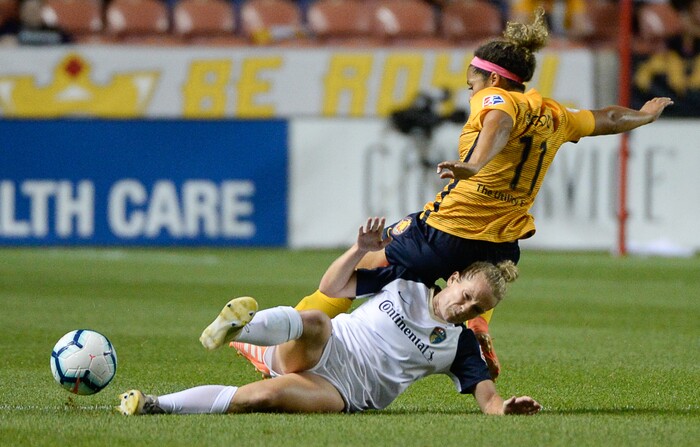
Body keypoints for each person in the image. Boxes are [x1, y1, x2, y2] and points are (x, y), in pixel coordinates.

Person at [236, 7, 674, 381]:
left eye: (472, 79)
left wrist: (475, 164)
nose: (470, 86)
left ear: (489, 76)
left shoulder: (496, 101)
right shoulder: (555, 113)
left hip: (447, 233)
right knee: (475, 293)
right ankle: (479, 326)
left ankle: (280, 351)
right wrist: (641, 116)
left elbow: (497, 124)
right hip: (502, 246)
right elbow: (604, 117)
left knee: (347, 275)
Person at [118, 217, 541, 416]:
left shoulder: (461, 344)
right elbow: (334, 288)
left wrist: (504, 408)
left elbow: (487, 397)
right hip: (326, 345)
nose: (465, 308)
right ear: (452, 279)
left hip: (343, 392)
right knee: (318, 319)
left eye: (477, 309)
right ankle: (242, 328)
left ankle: (154, 405)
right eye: (467, 295)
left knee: (262, 397)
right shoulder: (406, 280)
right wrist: (358, 249)